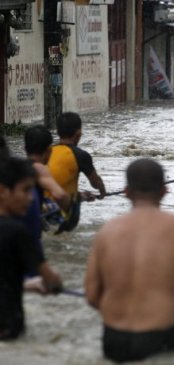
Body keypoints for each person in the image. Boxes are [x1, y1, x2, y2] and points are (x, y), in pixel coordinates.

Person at [84, 158, 174, 363]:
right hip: (160, 334)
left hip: (114, 337)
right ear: (164, 190)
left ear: (126, 191)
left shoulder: (106, 232)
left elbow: (92, 296)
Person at [0, 156, 62, 340]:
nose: (31, 199)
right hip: (8, 330)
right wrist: (54, 284)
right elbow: (52, 281)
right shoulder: (18, 233)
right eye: (26, 190)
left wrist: (25, 286)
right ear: (3, 191)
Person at [21, 126, 70, 287]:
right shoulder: (40, 169)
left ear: (24, 147)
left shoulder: (14, 168)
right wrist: (69, 205)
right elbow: (60, 195)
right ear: (49, 151)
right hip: (30, 244)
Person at [47, 112, 106, 232]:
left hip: (42, 209)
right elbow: (95, 183)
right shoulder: (80, 155)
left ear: (58, 132)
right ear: (78, 134)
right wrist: (102, 192)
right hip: (62, 215)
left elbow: (54, 184)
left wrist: (81, 195)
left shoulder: (46, 152)